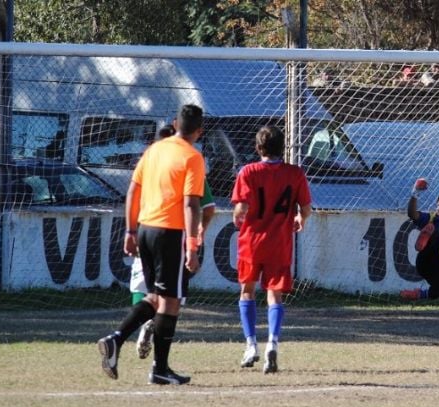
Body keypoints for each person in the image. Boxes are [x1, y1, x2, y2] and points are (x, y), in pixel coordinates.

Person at [97, 104, 206, 385]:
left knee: (157, 297)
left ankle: (116, 339)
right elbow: (191, 204)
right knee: (170, 302)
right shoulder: (193, 157)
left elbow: (133, 190)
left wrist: (130, 230)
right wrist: (192, 245)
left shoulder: (154, 150)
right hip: (171, 232)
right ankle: (159, 369)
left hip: (145, 229)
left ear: (175, 123)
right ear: (199, 131)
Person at [233, 125, 312, 374]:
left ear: (258, 148)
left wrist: (237, 216)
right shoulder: (295, 173)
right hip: (279, 242)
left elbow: (241, 208)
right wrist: (300, 218)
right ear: (283, 148)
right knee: (274, 294)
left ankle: (251, 345)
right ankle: (272, 344)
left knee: (247, 291)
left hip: (252, 241)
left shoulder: (248, 172)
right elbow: (306, 207)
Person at [132, 124, 215, 360]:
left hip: (146, 231)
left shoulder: (149, 164)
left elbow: (132, 196)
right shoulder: (187, 164)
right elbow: (208, 207)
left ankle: (141, 327)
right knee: (172, 297)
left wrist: (131, 231)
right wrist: (199, 231)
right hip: (175, 236)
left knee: (142, 286)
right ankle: (159, 356)